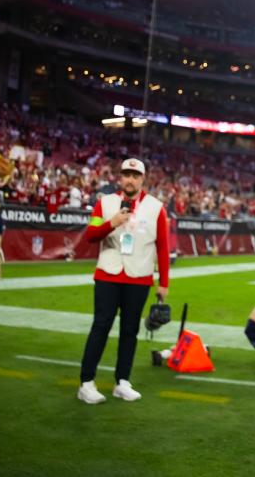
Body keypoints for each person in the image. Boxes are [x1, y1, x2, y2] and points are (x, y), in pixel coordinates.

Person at [76, 158, 170, 404]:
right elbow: (90, 235)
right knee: (101, 326)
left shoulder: (156, 207)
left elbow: (163, 247)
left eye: (135, 175)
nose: (130, 179)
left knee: (130, 331)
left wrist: (164, 282)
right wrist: (112, 223)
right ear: (120, 178)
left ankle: (123, 381)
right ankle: (86, 382)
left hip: (139, 277)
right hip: (108, 274)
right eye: (126, 174)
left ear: (142, 179)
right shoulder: (105, 203)